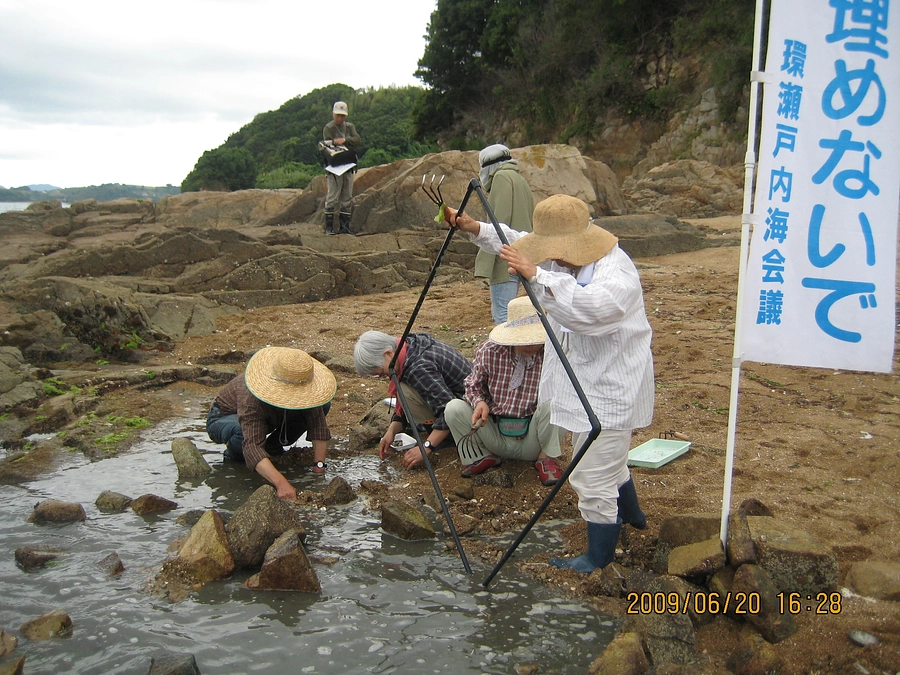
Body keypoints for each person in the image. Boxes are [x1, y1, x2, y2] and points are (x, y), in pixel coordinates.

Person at [444, 194, 654, 573]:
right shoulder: (572, 257)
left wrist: (538, 276)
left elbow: (593, 311)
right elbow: (518, 239)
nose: (549, 258)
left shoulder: (614, 273)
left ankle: (598, 559)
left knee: (590, 474)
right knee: (608, 461)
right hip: (588, 379)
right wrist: (475, 228)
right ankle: (634, 518)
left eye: (553, 251)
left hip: (611, 384)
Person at [444, 296, 564, 486]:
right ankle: (481, 456)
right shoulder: (490, 351)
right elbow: (472, 385)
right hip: (494, 433)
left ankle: (546, 458)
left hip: (533, 437)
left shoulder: (553, 354)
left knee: (559, 402)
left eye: (534, 339)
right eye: (523, 340)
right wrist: (479, 402)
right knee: (454, 408)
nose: (530, 345)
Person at [206, 347, 336, 500]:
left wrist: (318, 469)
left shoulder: (303, 385)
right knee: (242, 436)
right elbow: (252, 446)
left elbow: (318, 427)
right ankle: (234, 456)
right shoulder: (251, 398)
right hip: (224, 417)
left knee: (322, 405)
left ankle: (272, 448)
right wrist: (281, 483)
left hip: (270, 417)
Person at [353, 330, 472, 470]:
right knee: (404, 388)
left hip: (471, 414)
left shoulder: (418, 368)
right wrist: (391, 431)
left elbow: (447, 411)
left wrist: (426, 447)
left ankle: (448, 439)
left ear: (388, 354)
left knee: (405, 389)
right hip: (458, 399)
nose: (384, 377)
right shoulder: (409, 345)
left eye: (380, 373)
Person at [476, 144, 535, 324]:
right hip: (523, 254)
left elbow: (497, 223)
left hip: (505, 258)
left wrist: (486, 264)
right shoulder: (518, 179)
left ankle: (508, 350)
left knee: (503, 316)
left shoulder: (501, 178)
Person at [322, 100, 361, 235]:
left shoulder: (349, 127)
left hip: (348, 165)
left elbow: (357, 140)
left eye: (342, 116)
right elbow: (327, 145)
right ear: (333, 114)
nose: (340, 118)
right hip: (334, 166)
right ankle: (329, 227)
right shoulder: (329, 128)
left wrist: (345, 140)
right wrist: (336, 142)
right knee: (332, 196)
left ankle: (344, 227)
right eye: (338, 115)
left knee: (347, 196)